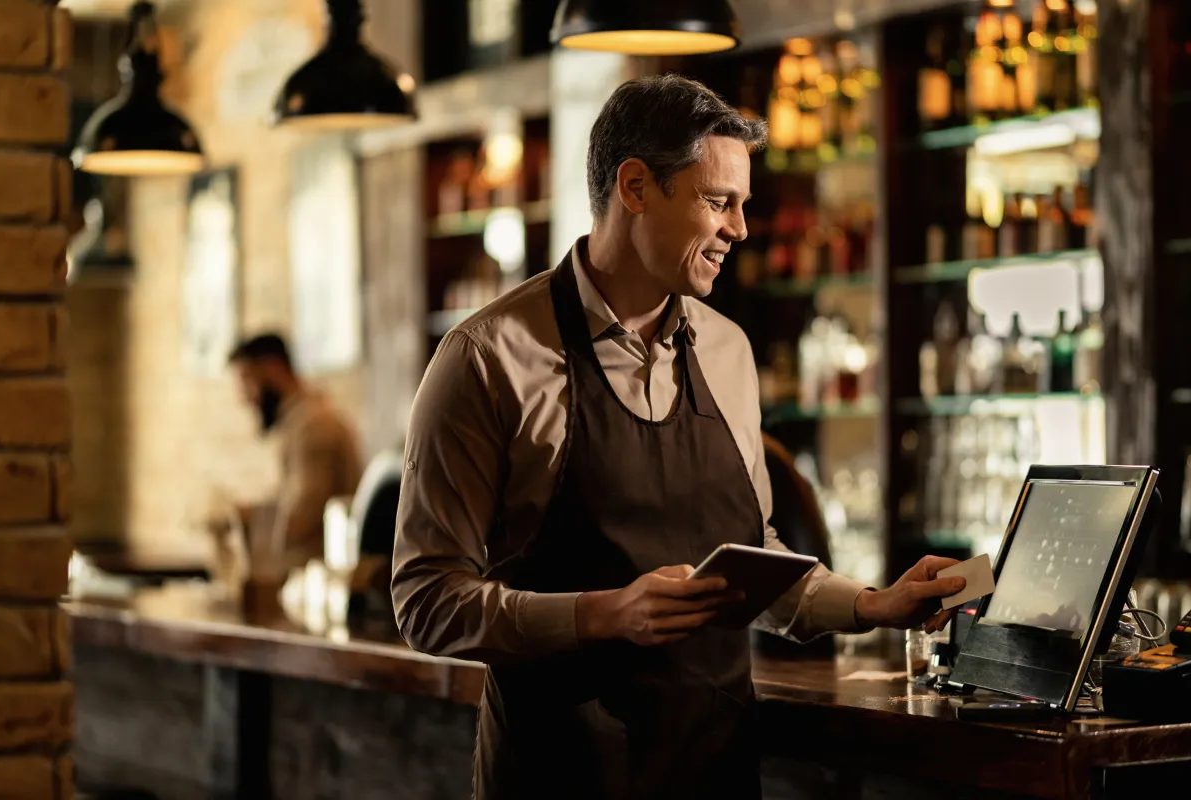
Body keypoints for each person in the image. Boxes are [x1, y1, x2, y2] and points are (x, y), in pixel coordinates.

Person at [391, 75, 967, 800]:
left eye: (743, 206)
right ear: (636, 187)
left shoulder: (727, 351)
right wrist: (606, 612)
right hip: (556, 777)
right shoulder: (487, 356)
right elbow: (425, 601)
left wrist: (870, 604)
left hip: (715, 774)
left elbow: (755, 561)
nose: (740, 230)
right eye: (718, 202)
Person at [227, 333, 363, 569]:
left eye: (247, 380)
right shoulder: (299, 423)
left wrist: (239, 519)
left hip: (319, 584)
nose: (244, 398)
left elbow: (300, 519)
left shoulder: (313, 426)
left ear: (273, 369)